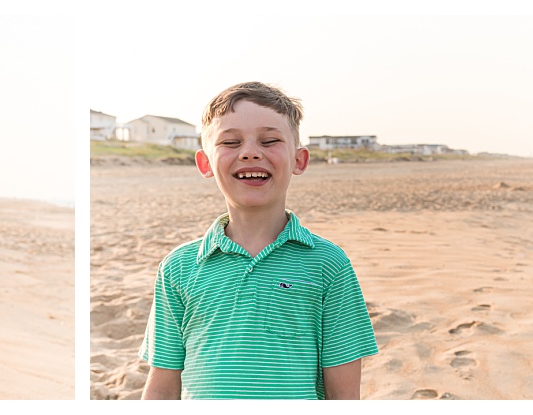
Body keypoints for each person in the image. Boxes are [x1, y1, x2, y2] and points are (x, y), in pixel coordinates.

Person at [138, 81, 377, 399]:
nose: (250, 152)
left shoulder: (328, 264)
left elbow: (344, 395)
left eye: (270, 140)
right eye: (231, 142)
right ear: (205, 163)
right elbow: (163, 384)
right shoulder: (179, 267)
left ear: (299, 160)